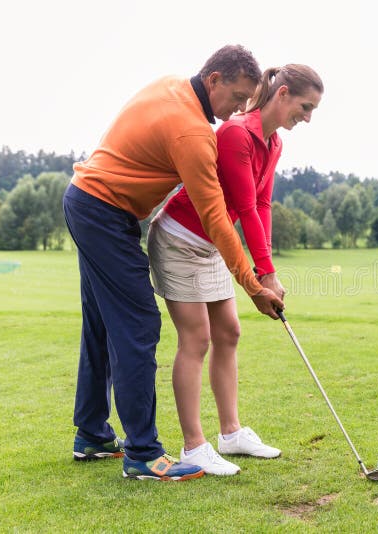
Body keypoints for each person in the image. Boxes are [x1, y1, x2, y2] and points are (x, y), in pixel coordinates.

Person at [62, 44, 284, 482]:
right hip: (103, 211)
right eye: (237, 96)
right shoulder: (193, 133)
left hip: (91, 202)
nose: (240, 108)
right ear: (215, 79)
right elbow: (217, 219)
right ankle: (143, 453)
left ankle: (92, 434)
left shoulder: (172, 86)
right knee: (139, 324)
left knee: (103, 324)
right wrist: (253, 284)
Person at [146, 64, 324, 475]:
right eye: (305, 106)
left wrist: (268, 270)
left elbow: (262, 206)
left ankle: (231, 433)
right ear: (281, 95)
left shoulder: (273, 142)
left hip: (211, 245)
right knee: (197, 338)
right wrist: (262, 275)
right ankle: (194, 446)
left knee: (230, 332)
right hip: (179, 240)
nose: (308, 117)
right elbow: (243, 207)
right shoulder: (235, 134)